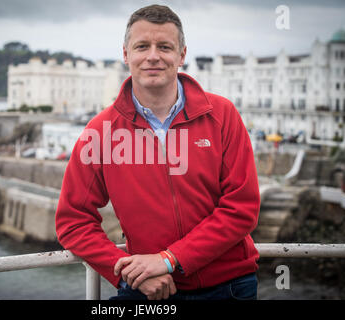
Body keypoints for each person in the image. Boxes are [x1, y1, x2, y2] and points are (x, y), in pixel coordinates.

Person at [55, 4, 260, 300]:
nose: (153, 56)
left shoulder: (222, 115)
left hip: (228, 286)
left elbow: (242, 208)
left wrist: (169, 259)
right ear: (126, 55)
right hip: (147, 289)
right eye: (142, 46)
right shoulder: (100, 131)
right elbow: (73, 220)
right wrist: (124, 269)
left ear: (181, 55)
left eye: (164, 46)